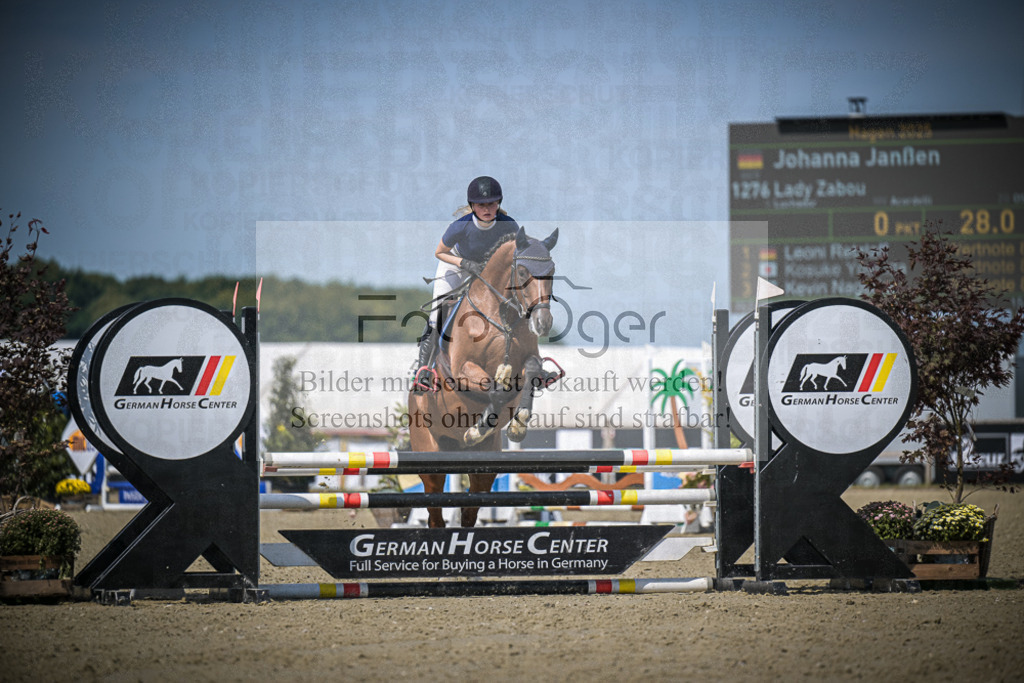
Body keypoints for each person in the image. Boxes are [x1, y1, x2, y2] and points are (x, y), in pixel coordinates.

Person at [412, 176, 520, 385]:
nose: (487, 209)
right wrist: (465, 264)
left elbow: (514, 256)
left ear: (499, 203)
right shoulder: (460, 226)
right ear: (472, 206)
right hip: (455, 265)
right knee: (437, 312)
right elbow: (439, 252)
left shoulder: (509, 226)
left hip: (488, 271)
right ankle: (423, 370)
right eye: (481, 205)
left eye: (491, 203)